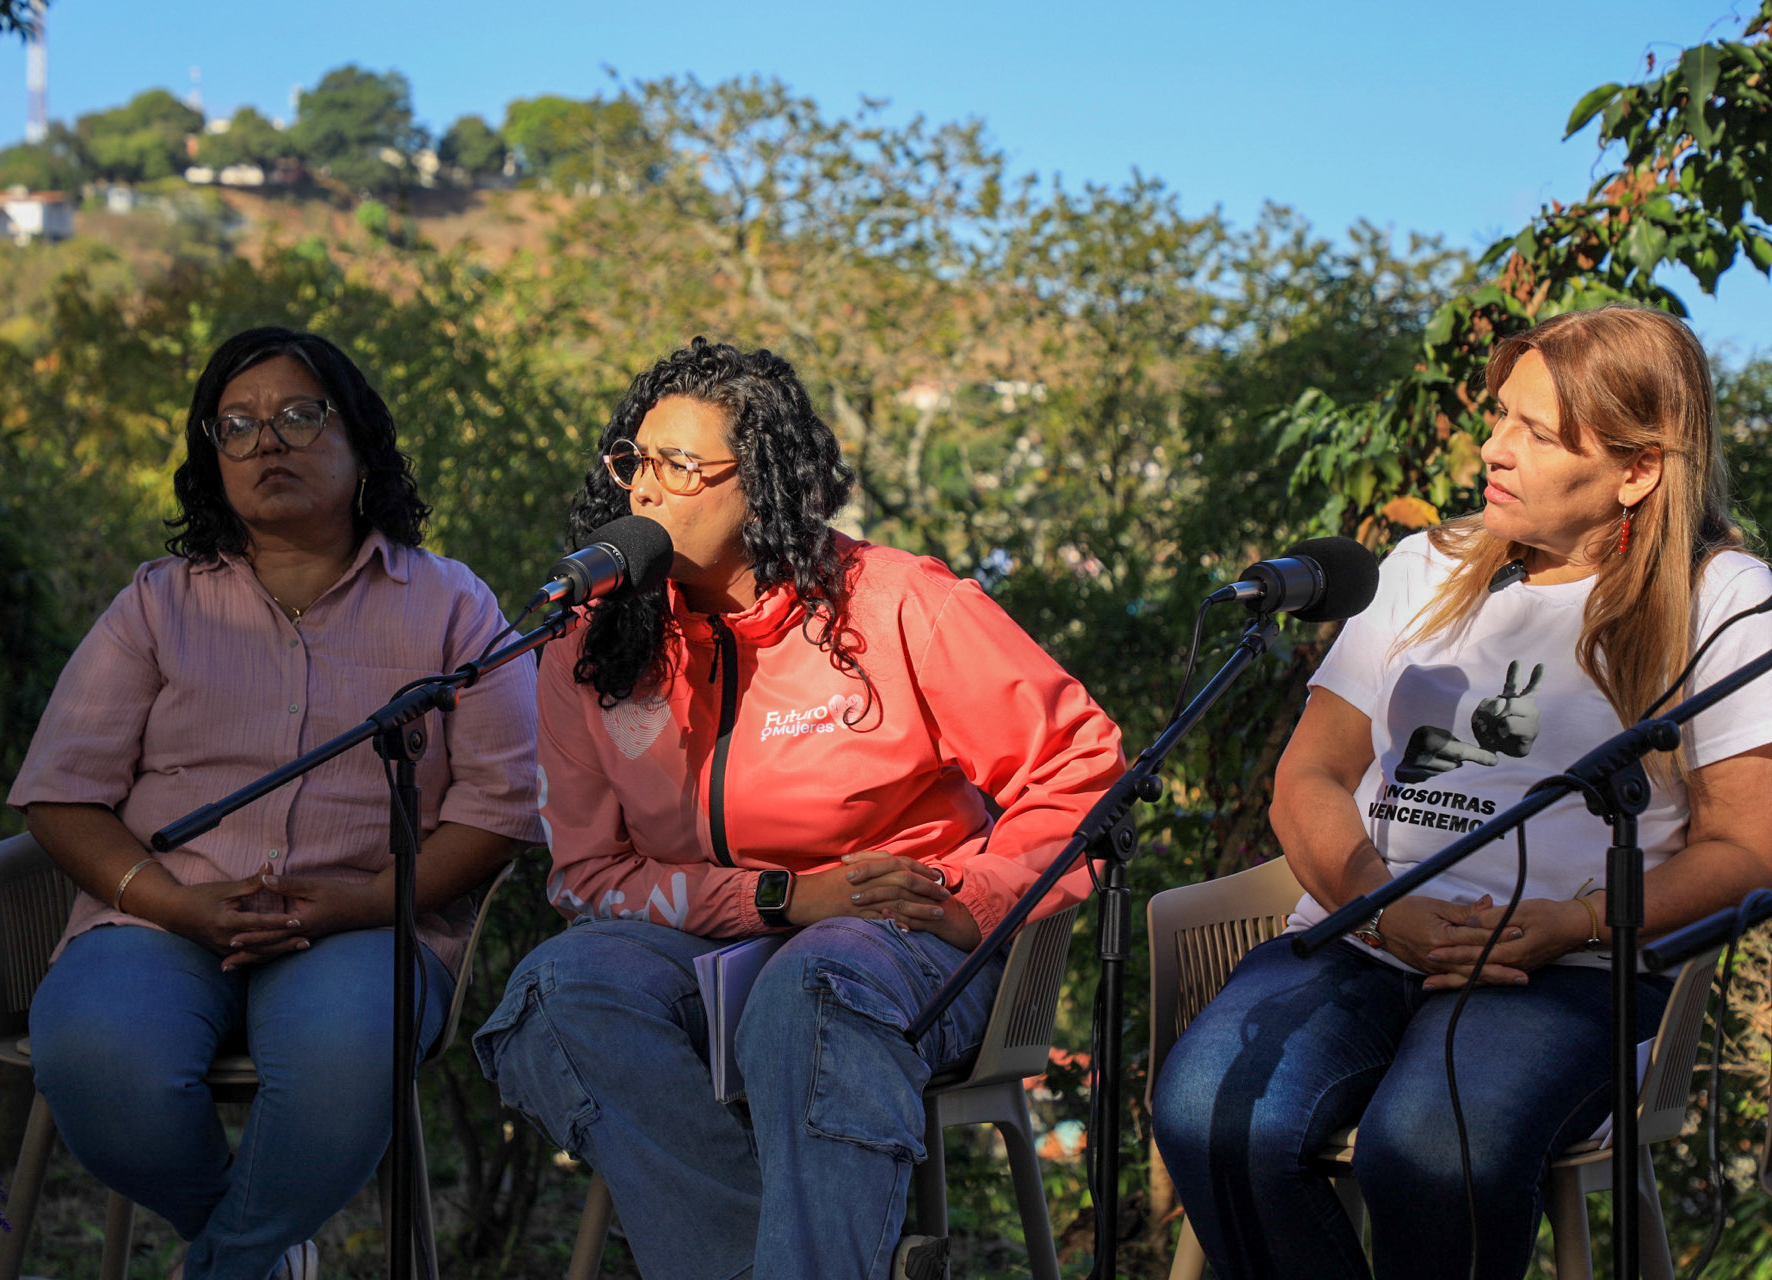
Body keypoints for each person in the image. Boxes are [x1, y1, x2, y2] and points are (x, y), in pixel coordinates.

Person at [473, 337, 1125, 1280]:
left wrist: (965, 892)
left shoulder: (899, 603)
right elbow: (588, 877)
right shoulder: (588, 644)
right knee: (555, 994)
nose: (646, 491)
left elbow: (1084, 770)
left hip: (902, 937)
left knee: (813, 986)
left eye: (683, 467)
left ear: (767, 484)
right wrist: (781, 898)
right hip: (717, 944)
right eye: (636, 462)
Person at [1150, 304, 1772, 1280]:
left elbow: (1748, 849)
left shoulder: (1723, 597)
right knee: (1208, 1109)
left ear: (1637, 469)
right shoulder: (1423, 565)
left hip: (1569, 969)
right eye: (1500, 418)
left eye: (1535, 430)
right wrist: (1377, 903)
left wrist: (1573, 923)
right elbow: (1309, 774)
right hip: (1364, 930)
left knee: (1430, 1147)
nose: (1493, 447)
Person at [10, 327, 543, 1280]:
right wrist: (175, 903)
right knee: (100, 1059)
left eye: (300, 416)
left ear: (362, 443)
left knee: (346, 1061)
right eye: (238, 426)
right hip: (162, 917)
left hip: (363, 925)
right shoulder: (156, 606)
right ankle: (262, 1250)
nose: (268, 443)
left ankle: (227, 1262)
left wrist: (351, 902)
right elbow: (61, 794)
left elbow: (500, 812)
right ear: (211, 461)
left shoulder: (454, 608)